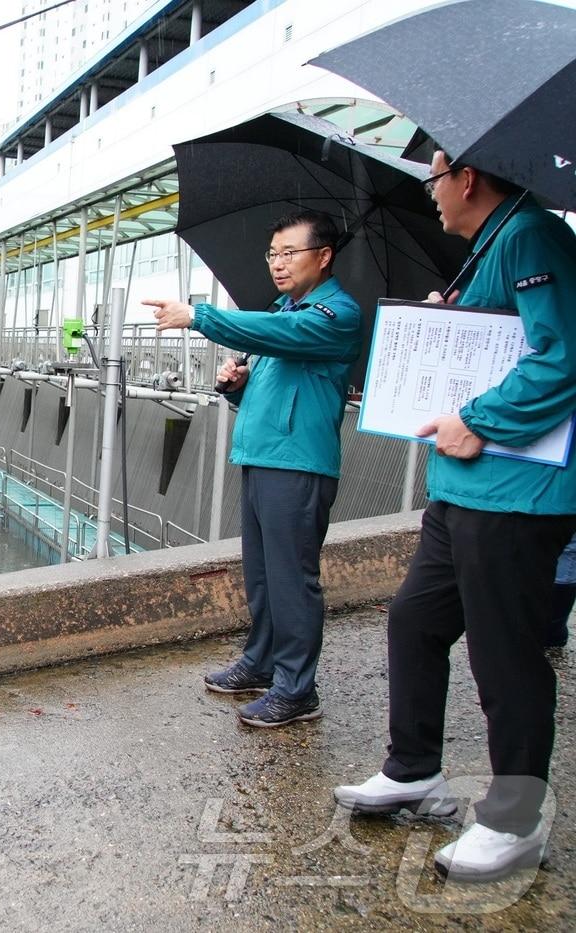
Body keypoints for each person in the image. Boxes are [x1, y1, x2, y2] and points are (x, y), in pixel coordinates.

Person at [333, 151, 576, 883]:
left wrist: (477, 416)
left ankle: (515, 822)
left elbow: (561, 354)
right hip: (467, 488)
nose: (431, 193)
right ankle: (414, 768)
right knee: (416, 619)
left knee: (505, 655)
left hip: (513, 492)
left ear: (467, 178)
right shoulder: (496, 241)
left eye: (435, 177)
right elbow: (508, 340)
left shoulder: (530, 235)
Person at [145, 210, 361, 728]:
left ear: (324, 256)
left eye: (290, 253)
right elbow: (278, 380)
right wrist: (238, 383)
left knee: (292, 579)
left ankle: (296, 689)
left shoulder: (334, 314)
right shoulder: (288, 309)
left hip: (298, 464)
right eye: (273, 254)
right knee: (264, 575)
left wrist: (199, 316)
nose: (278, 264)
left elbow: (285, 336)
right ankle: (262, 661)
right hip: (263, 456)